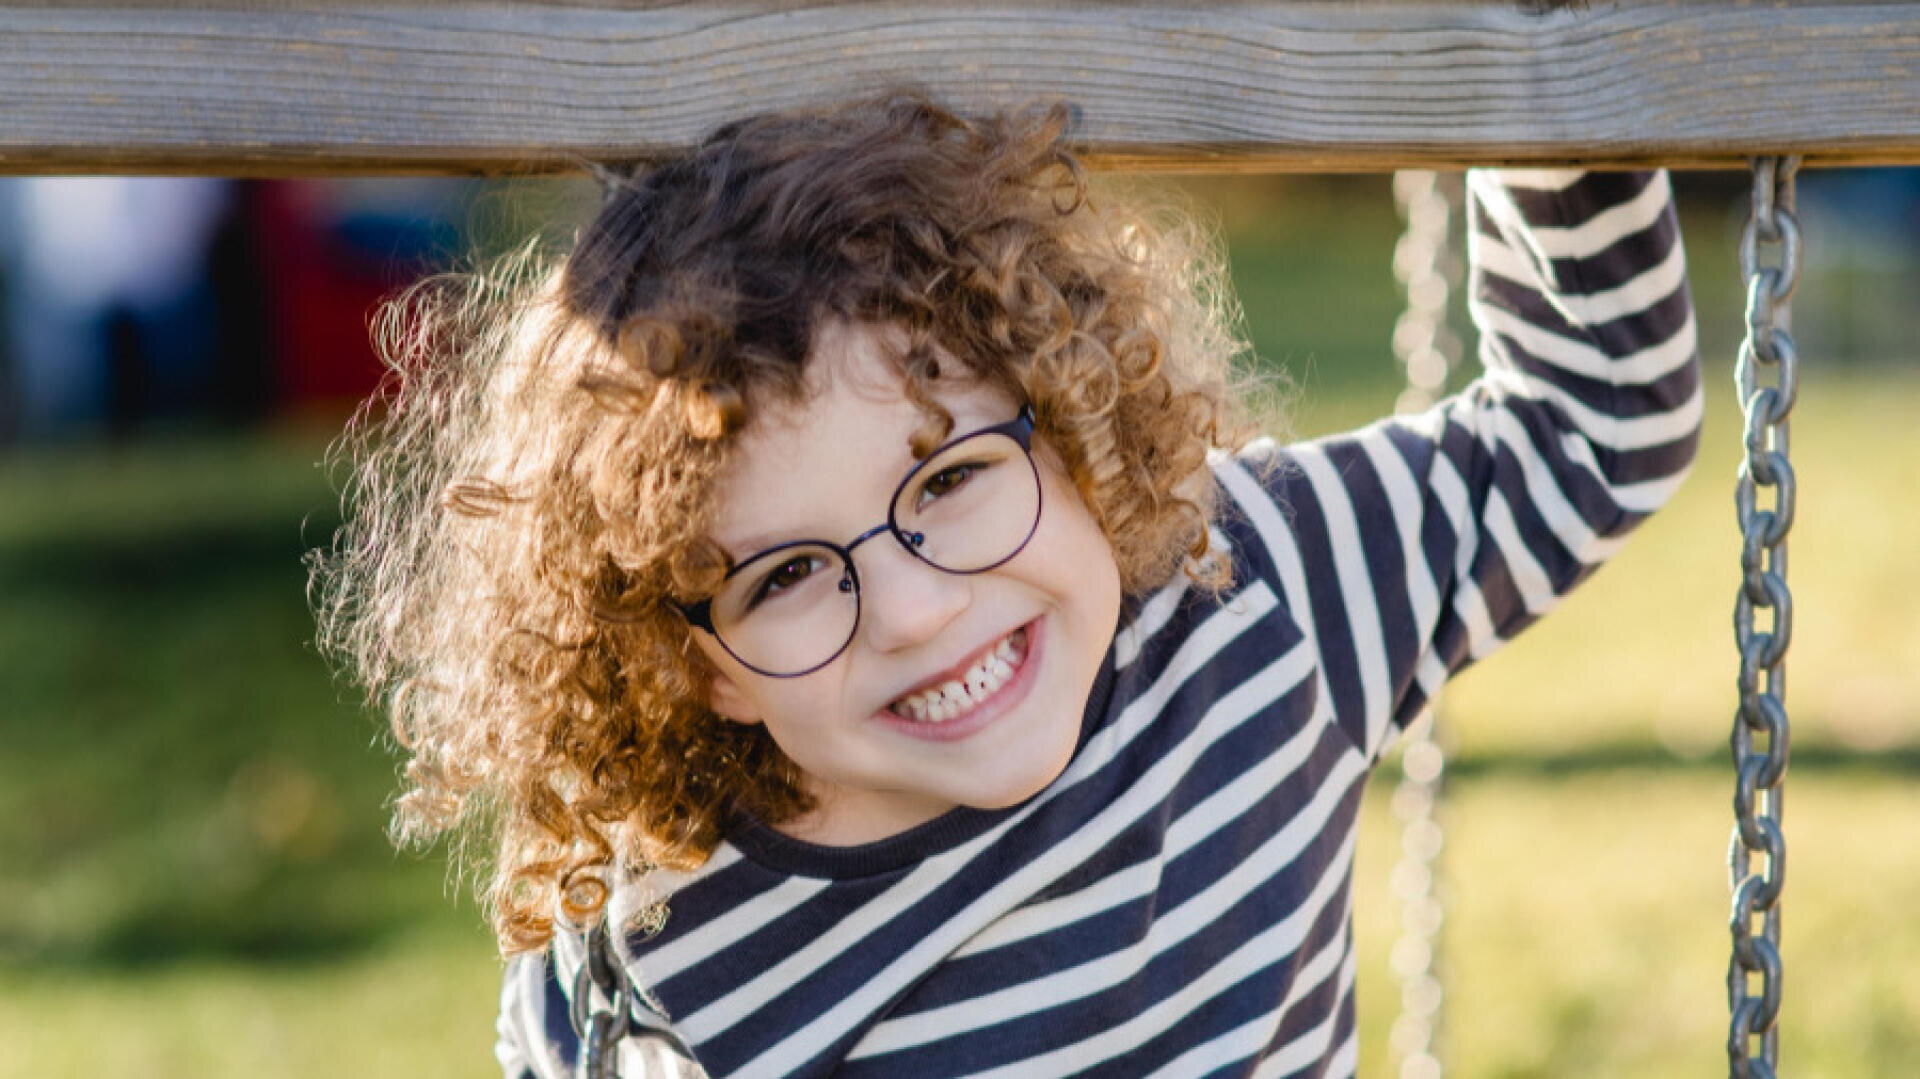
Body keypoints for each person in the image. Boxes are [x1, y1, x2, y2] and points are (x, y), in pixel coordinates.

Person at [311, 92, 1699, 1078]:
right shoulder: (673, 944)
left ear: (1078, 422)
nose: (917, 611)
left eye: (953, 480)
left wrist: (1548, 76)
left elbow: (1596, 429)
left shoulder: (1258, 596)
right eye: (788, 575)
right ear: (697, 659)